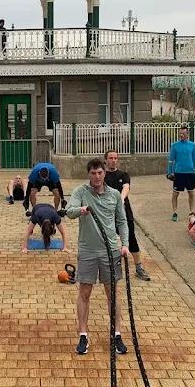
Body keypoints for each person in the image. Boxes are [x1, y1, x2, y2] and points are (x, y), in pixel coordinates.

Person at [65, 158, 131, 356]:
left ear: (104, 173)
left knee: (112, 294)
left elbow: (122, 221)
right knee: (85, 293)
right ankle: (83, 335)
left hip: (110, 251)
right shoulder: (81, 192)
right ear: (89, 174)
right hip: (88, 251)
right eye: (93, 173)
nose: (96, 176)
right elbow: (69, 212)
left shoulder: (114, 195)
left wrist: (125, 244)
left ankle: (116, 334)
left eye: (100, 173)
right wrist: (81, 210)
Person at [103, 150, 151, 281]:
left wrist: (121, 199)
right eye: (110, 158)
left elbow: (126, 187)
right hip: (107, 213)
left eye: (115, 158)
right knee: (105, 239)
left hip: (124, 212)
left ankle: (139, 268)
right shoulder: (102, 175)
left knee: (131, 238)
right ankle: (106, 267)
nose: (113, 160)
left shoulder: (123, 174)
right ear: (105, 160)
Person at [166, 126, 195, 222]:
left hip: (190, 173)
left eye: (183, 133)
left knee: (191, 192)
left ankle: (192, 212)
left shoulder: (192, 145)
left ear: (187, 134)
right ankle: (175, 212)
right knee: (175, 193)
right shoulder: (174, 145)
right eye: (180, 133)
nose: (181, 135)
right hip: (178, 173)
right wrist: (169, 173)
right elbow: (171, 160)